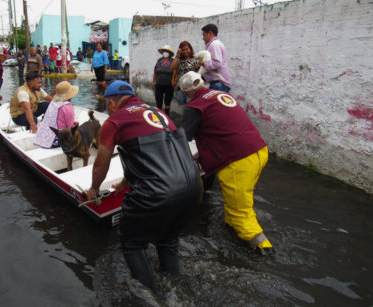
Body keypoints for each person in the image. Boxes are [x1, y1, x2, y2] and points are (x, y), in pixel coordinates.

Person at [86, 80, 202, 296]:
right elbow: (149, 157)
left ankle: (152, 298)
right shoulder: (159, 113)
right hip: (193, 187)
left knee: (131, 242)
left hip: (160, 192)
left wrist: (93, 189)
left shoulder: (115, 121)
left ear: (111, 103)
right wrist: (123, 184)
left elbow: (101, 163)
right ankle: (173, 288)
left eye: (106, 107)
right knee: (167, 241)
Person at [179, 71, 273, 254]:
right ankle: (231, 227)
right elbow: (222, 130)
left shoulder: (194, 107)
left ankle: (264, 251)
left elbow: (181, 140)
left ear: (185, 92)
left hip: (238, 160)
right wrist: (199, 156)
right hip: (258, 150)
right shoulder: (221, 95)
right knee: (236, 200)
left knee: (241, 212)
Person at [34, 81, 79, 148]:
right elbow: (71, 128)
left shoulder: (53, 102)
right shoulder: (68, 107)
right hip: (55, 141)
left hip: (41, 138)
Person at [200, 24, 232, 92]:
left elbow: (217, 63)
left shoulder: (214, 45)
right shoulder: (215, 44)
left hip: (219, 84)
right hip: (218, 83)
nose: (203, 38)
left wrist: (204, 63)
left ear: (210, 33)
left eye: (204, 35)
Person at [170, 41, 200, 106]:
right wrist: (177, 55)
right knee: (183, 106)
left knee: (190, 105)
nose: (185, 52)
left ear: (190, 49)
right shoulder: (179, 60)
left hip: (191, 88)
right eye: (183, 50)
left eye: (187, 49)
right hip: (181, 88)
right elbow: (172, 67)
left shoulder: (195, 60)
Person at [152, 45, 175, 117]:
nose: (165, 53)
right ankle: (159, 116)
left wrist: (175, 81)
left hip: (169, 84)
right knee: (159, 100)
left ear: (170, 53)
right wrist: (153, 82)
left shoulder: (173, 61)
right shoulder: (159, 61)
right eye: (164, 51)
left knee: (167, 101)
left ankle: (167, 116)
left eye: (167, 51)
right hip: (159, 83)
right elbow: (155, 72)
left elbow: (176, 71)